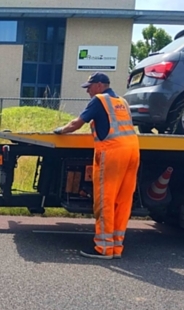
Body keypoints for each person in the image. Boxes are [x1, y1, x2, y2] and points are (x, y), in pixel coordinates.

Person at [53, 72, 140, 260]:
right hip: (132, 151)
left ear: (100, 85)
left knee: (105, 200)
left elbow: (77, 123)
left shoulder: (99, 100)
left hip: (113, 152)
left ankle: (103, 249)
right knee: (123, 200)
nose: (88, 91)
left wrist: (61, 130)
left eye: (89, 87)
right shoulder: (122, 102)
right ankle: (116, 247)